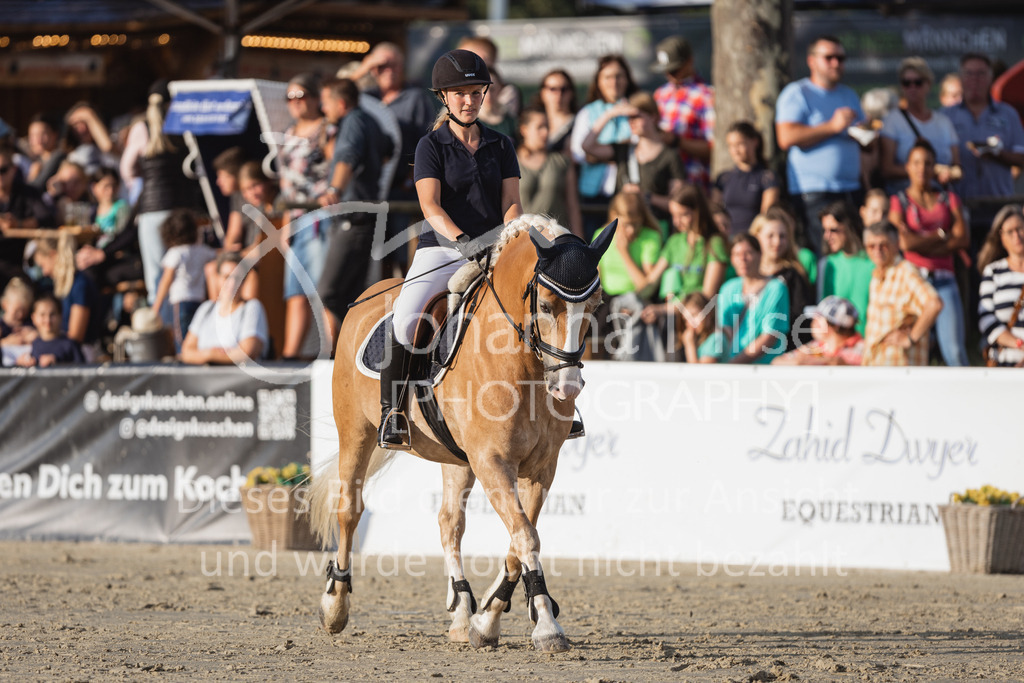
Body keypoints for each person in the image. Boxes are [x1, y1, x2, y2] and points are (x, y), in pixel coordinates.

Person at [377, 49, 522, 448]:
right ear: (443, 96)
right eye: (460, 93)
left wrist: (512, 238)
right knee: (406, 318)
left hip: (495, 248)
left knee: (535, 307)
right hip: (442, 249)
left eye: (476, 92)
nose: (469, 100)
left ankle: (559, 407)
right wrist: (464, 242)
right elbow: (431, 206)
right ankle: (393, 413)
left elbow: (511, 202)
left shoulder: (502, 143)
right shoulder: (431, 145)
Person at [317, 77, 393, 338]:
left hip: (352, 220)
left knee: (329, 292)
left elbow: (347, 157)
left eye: (326, 103)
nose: (323, 109)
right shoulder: (369, 121)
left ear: (340, 103)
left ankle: (341, 351)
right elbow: (389, 149)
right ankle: (353, 352)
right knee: (352, 295)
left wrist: (333, 190)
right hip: (365, 219)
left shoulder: (352, 123)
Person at [776, 35, 865, 257]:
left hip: (850, 190)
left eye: (841, 58)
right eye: (829, 57)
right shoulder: (797, 93)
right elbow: (786, 137)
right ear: (812, 61)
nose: (836, 63)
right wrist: (832, 126)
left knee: (852, 253)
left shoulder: (849, 94)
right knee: (824, 256)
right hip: (814, 193)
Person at [888, 140, 970, 366]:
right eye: (916, 163)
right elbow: (905, 243)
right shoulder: (899, 201)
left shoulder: (949, 199)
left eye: (927, 163)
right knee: (915, 350)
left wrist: (922, 241)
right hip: (914, 284)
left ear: (934, 167)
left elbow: (962, 239)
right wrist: (942, 235)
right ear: (907, 166)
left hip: (944, 279)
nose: (921, 168)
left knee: (953, 351)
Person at [352, 42, 438, 257]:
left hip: (401, 190)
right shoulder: (365, 98)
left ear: (403, 67)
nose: (388, 70)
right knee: (365, 255)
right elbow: (334, 97)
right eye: (382, 65)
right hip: (368, 190)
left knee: (397, 254)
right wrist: (364, 68)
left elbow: (427, 143)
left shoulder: (416, 98)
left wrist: (410, 181)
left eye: (394, 65)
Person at [278, 72, 334, 360]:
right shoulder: (289, 133)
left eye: (301, 96)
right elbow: (286, 184)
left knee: (323, 288)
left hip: (319, 216)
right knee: (295, 290)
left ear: (314, 98)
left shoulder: (326, 130)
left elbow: (335, 171)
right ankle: (290, 354)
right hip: (297, 217)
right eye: (290, 97)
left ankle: (332, 349)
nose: (295, 103)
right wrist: (286, 225)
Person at [944, 53, 1024, 250]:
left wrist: (998, 153)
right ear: (961, 78)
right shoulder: (945, 116)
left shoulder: (1007, 113)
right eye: (969, 74)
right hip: (959, 209)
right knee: (966, 273)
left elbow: (1022, 157)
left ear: (990, 78)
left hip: (999, 209)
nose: (975, 80)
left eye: (981, 74)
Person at [134, 83, 198, 316]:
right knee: (182, 273)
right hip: (180, 209)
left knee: (156, 276)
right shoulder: (183, 127)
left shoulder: (141, 128)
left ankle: (160, 323)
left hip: (152, 209)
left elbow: (126, 168)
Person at [581, 91, 685, 226]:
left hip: (655, 229)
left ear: (653, 117)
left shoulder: (670, 156)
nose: (631, 122)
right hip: (622, 227)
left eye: (636, 117)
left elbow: (675, 204)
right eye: (628, 118)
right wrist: (609, 114)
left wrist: (646, 197)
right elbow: (587, 146)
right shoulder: (623, 150)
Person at [570, 54, 638, 236]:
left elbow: (639, 146)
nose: (614, 82)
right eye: (607, 77)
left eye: (619, 76)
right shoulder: (588, 112)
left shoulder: (636, 108)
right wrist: (614, 153)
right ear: (598, 81)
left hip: (628, 193)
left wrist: (601, 152)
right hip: (593, 196)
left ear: (627, 79)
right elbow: (578, 153)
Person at [861, 220, 943, 366]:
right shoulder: (877, 276)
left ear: (896, 244)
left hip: (899, 370)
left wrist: (910, 338)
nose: (877, 250)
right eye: (871, 246)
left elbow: (934, 304)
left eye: (883, 245)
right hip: (878, 367)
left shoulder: (906, 272)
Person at [702, 233, 789, 364]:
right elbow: (725, 330)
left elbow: (770, 337)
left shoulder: (776, 288)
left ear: (760, 255)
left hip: (763, 369)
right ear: (731, 259)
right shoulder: (728, 288)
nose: (742, 259)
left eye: (748, 253)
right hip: (731, 369)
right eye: (737, 254)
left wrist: (734, 365)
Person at [595, 192, 662, 361]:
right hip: (606, 303)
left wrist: (624, 252)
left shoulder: (650, 238)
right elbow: (596, 280)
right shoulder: (600, 235)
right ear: (613, 217)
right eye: (626, 225)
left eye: (636, 224)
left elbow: (644, 286)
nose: (631, 230)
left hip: (635, 301)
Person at [879, 57, 960, 195]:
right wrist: (929, 171)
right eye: (906, 83)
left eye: (918, 82)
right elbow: (887, 169)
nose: (912, 88)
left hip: (939, 199)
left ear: (928, 84)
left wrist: (949, 174)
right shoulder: (892, 120)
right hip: (905, 200)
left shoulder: (943, 122)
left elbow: (958, 168)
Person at [642, 184, 728, 306]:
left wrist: (662, 310)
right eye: (673, 215)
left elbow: (707, 296)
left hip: (699, 316)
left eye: (683, 215)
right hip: (673, 316)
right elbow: (651, 282)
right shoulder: (675, 241)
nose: (676, 222)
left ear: (698, 211)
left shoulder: (714, 243)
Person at [180, 251, 268, 365]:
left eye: (237, 278)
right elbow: (186, 351)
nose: (231, 284)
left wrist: (208, 355)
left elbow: (247, 352)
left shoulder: (252, 308)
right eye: (226, 277)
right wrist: (218, 354)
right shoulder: (205, 308)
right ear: (217, 277)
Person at [650, 35, 715, 191]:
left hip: (692, 182)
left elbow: (713, 149)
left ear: (689, 61)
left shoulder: (706, 95)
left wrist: (677, 141)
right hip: (662, 181)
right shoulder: (660, 94)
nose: (670, 75)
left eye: (674, 69)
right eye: (666, 70)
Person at [151, 209, 217, 352]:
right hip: (199, 300)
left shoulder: (174, 253)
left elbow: (166, 280)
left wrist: (156, 306)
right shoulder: (202, 250)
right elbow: (220, 254)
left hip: (180, 302)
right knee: (195, 337)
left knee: (181, 340)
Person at [750, 208, 814, 349]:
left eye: (782, 236)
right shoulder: (746, 274)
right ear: (756, 236)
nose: (777, 241)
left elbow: (800, 317)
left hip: (782, 350)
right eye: (770, 236)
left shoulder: (794, 275)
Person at [32, 236, 103, 361]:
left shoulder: (80, 284)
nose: (44, 273)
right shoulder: (65, 285)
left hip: (81, 354)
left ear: (53, 256)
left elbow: (76, 337)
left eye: (43, 265)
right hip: (64, 348)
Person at [517, 107, 583, 238]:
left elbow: (573, 206)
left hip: (557, 240)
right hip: (521, 242)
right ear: (524, 130)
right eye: (540, 127)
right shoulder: (510, 162)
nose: (545, 132)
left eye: (547, 126)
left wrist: (579, 241)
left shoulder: (562, 162)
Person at [0, 144, 54, 290]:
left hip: (18, 262)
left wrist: (19, 224)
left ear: (14, 169)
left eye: (3, 170)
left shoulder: (26, 192)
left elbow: (47, 219)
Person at [712, 121, 780, 236]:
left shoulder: (767, 177)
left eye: (740, 144)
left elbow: (765, 216)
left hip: (753, 239)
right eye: (731, 145)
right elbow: (715, 211)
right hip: (725, 237)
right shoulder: (723, 178)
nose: (735, 150)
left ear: (754, 142)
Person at [977, 204, 1024, 367]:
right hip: (1004, 362)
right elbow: (986, 319)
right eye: (1010, 232)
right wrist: (1019, 345)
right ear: (1001, 237)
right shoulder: (993, 271)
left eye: (1020, 228)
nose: (1017, 236)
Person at [818, 200, 874, 335]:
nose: (827, 236)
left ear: (849, 227)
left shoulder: (873, 261)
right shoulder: (827, 265)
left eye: (833, 230)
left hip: (870, 344)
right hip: (838, 347)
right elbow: (823, 314)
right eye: (825, 230)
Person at [772, 295, 864, 366]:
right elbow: (776, 362)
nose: (813, 322)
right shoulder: (816, 346)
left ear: (835, 325)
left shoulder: (864, 349)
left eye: (818, 318)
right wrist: (798, 362)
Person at [16, 294, 84, 367]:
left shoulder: (70, 345)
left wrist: (57, 362)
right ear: (33, 318)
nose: (47, 320)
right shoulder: (34, 344)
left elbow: (81, 371)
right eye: (42, 314)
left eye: (52, 314)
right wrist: (22, 362)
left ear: (60, 316)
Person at [531, 69, 578, 153]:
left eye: (564, 89)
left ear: (571, 93)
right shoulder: (532, 123)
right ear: (542, 92)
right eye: (552, 89)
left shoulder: (580, 123)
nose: (558, 94)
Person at [211, 146, 248, 252]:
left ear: (235, 175)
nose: (218, 182)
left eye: (222, 176)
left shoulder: (255, 195)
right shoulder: (236, 197)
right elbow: (232, 235)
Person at [63, 102, 115, 176]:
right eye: (76, 125)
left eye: (86, 122)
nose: (82, 129)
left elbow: (108, 147)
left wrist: (89, 114)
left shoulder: (113, 140)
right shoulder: (74, 154)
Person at [90, 167, 131, 250]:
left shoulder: (121, 207)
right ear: (94, 187)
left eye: (113, 186)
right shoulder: (93, 210)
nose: (110, 191)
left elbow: (122, 235)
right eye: (106, 186)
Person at [0, 277, 36, 367]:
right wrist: (5, 342)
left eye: (24, 311)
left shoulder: (30, 324)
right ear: (4, 304)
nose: (20, 315)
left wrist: (34, 336)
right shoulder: (1, 325)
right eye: (16, 310)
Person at [25, 114, 66, 191]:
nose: (38, 140)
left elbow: (36, 186)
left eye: (43, 134)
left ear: (55, 134)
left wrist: (32, 177)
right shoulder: (36, 160)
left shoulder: (58, 156)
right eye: (33, 135)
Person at [678, 291, 715, 363]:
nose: (690, 323)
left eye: (694, 315)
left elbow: (698, 373)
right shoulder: (701, 341)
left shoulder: (715, 340)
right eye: (686, 319)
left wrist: (690, 345)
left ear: (708, 315)